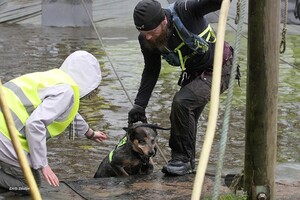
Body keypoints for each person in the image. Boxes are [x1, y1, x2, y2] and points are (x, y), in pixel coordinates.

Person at [128, 0, 234, 176]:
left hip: (221, 67)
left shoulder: (187, 10)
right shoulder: (147, 39)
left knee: (182, 103)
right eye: (143, 32)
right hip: (194, 74)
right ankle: (188, 162)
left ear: (164, 21)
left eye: (151, 32)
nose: (148, 37)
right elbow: (151, 70)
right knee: (181, 116)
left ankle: (182, 160)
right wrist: (140, 105)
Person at [0, 50, 107, 194]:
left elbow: (66, 113)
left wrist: (90, 133)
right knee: (29, 186)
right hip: (5, 136)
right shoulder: (67, 92)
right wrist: (43, 164)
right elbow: (35, 124)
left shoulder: (54, 78)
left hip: (4, 128)